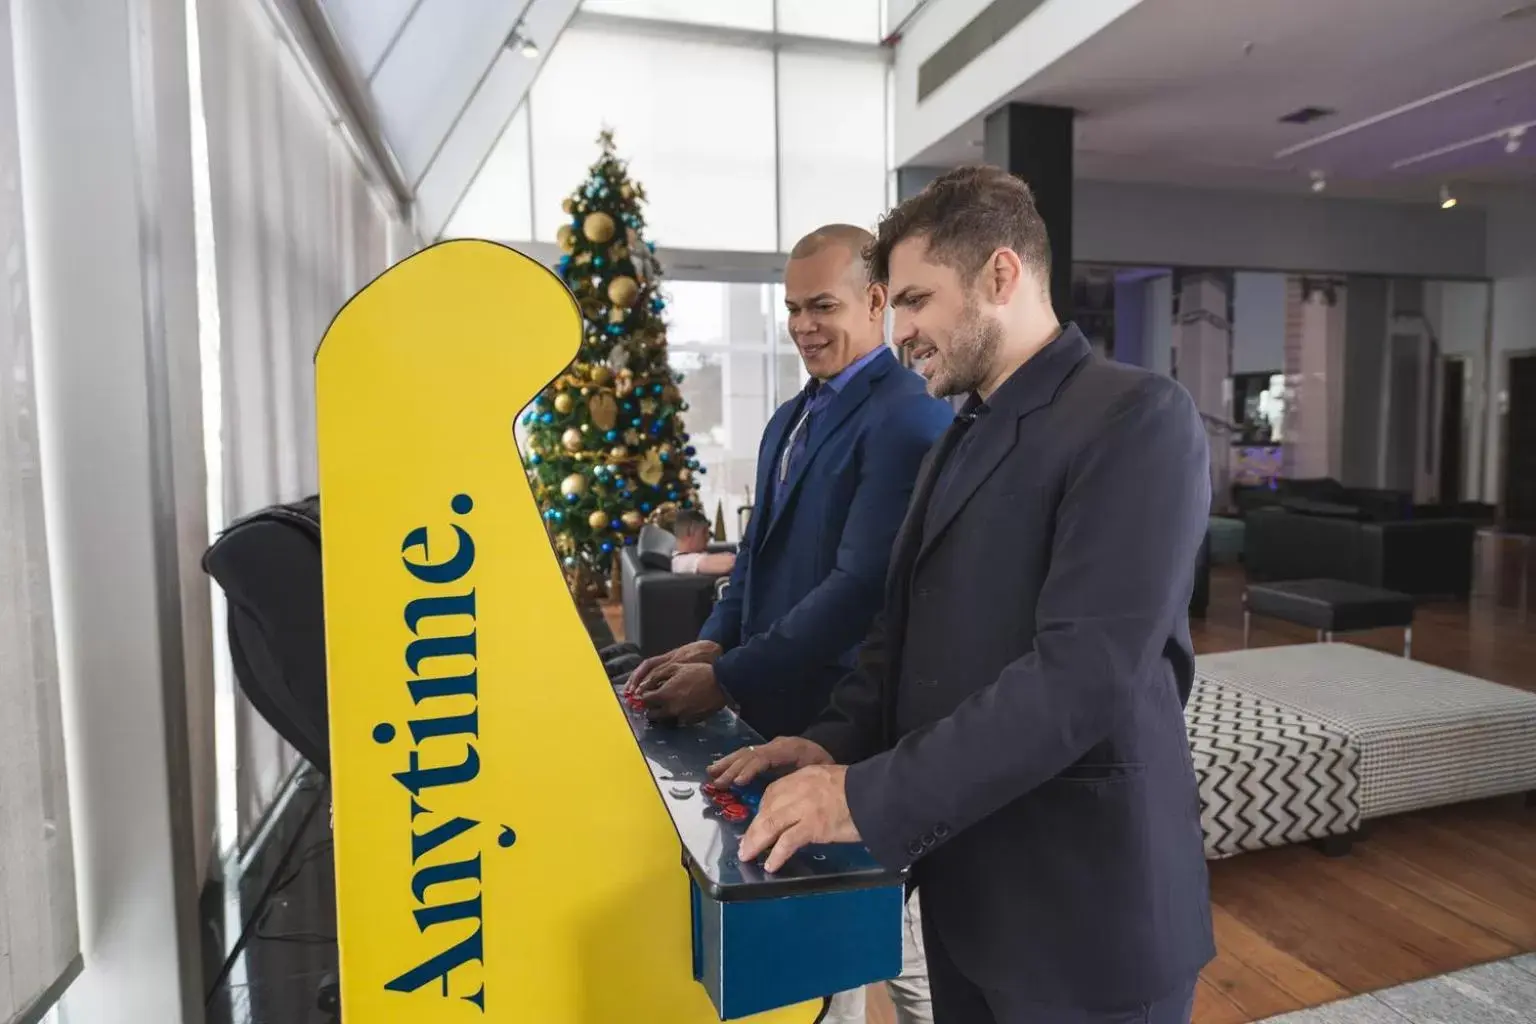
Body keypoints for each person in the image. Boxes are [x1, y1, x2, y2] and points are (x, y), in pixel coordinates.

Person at [711, 166, 1216, 1024]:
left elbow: (1081, 677)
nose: (899, 330)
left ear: (1001, 275)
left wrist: (860, 798)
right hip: (969, 895)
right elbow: (896, 643)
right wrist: (827, 746)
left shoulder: (1139, 418)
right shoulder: (958, 435)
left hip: (1085, 918)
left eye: (914, 301)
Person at [628, 223, 951, 1024]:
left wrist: (729, 675)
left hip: (848, 720)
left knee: (875, 937)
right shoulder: (788, 419)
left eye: (824, 306)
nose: (804, 325)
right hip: (773, 711)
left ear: (877, 302)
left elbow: (858, 587)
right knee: (810, 938)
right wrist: (717, 637)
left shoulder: (908, 418)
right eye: (793, 308)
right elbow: (759, 560)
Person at [668, 508, 736, 576]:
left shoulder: (688, 557)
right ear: (690, 531)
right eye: (704, 532)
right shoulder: (680, 561)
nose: (708, 537)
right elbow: (727, 564)